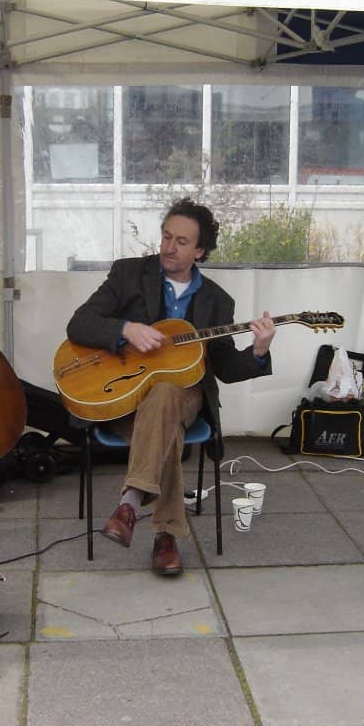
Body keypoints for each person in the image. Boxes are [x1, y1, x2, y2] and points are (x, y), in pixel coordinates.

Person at [66, 198, 277, 575]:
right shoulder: (128, 275)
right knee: (167, 428)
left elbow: (226, 367)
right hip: (124, 398)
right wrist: (125, 329)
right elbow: (79, 325)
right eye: (166, 237)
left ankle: (130, 503)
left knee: (166, 393)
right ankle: (166, 536)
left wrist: (258, 351)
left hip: (186, 395)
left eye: (181, 242)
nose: (168, 247)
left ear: (199, 250)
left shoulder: (216, 300)